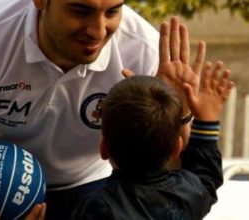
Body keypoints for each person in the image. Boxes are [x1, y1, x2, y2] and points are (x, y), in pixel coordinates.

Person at [0, 0, 204, 219]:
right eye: (80, 10)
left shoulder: (146, 52)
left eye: (112, 11)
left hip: (89, 187)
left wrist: (178, 114)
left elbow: (171, 166)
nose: (98, 31)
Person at [70, 60, 234, 219]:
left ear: (103, 148)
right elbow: (207, 174)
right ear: (177, 147)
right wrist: (207, 120)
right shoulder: (190, 194)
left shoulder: (98, 208)